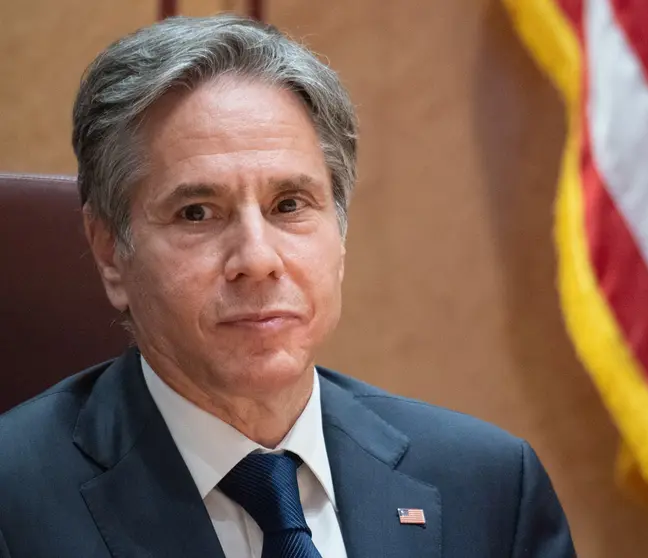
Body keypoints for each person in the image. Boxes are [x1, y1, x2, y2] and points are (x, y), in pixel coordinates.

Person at [0, 15, 575, 558]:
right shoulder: (14, 503)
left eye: (290, 205)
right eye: (197, 212)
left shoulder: (489, 487)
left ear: (340, 236)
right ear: (109, 253)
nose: (257, 259)